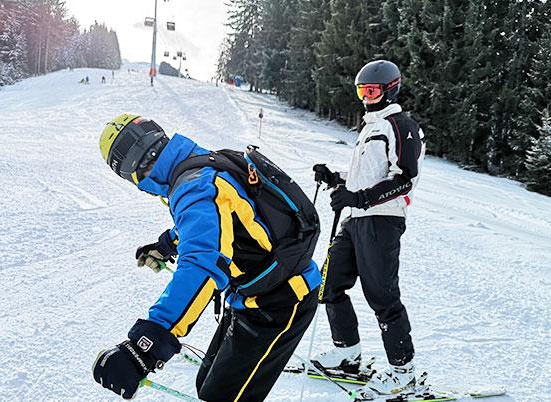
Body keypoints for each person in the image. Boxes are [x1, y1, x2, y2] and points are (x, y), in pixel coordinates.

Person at [93, 113, 321, 401]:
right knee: (207, 385)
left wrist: (144, 347)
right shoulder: (195, 163)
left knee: (219, 396)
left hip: (280, 302)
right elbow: (215, 223)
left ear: (129, 172)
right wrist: (167, 244)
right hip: (256, 294)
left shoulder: (194, 187)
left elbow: (202, 264)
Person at [311, 60, 425, 395]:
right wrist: (336, 180)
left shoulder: (400, 125)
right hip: (357, 219)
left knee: (383, 296)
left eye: (372, 91)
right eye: (362, 91)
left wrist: (358, 198)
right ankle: (347, 353)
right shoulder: (370, 127)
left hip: (383, 220)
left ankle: (403, 370)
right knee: (328, 284)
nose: (366, 98)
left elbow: (405, 178)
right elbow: (364, 178)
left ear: (391, 89)